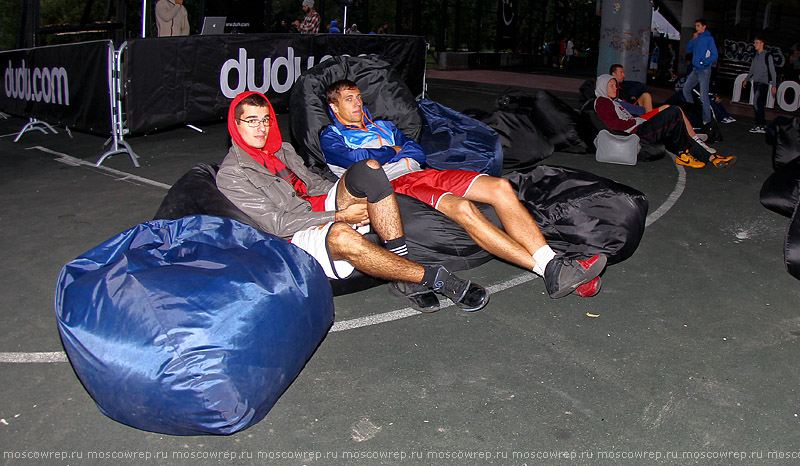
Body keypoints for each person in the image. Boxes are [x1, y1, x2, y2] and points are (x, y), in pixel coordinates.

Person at [319, 79, 608, 299]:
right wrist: (393, 151)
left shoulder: (383, 125)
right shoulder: (331, 135)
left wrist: (397, 149)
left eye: (358, 97)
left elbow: (416, 150)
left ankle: (555, 266)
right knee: (463, 208)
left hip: (425, 172)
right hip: (396, 184)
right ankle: (550, 268)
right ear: (335, 108)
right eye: (349, 99)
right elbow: (359, 161)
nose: (357, 103)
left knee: (501, 187)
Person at [217, 91, 489, 313]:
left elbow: (315, 184)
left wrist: (345, 192)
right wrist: (339, 215)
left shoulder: (282, 150)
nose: (261, 128)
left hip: (319, 204)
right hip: (294, 232)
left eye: (265, 120)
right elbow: (278, 223)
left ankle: (400, 268)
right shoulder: (232, 174)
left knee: (369, 167)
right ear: (236, 125)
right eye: (251, 121)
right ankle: (433, 278)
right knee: (343, 237)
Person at [594, 74, 736, 169]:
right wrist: (638, 121)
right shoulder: (602, 102)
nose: (615, 88)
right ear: (602, 86)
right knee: (674, 111)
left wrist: (651, 114)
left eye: (615, 85)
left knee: (677, 127)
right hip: (636, 132)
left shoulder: (613, 102)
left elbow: (637, 115)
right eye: (611, 85)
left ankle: (711, 158)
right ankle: (684, 152)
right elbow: (614, 125)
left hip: (638, 126)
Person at [682, 19, 718, 127]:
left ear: (704, 27)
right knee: (686, 90)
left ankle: (706, 121)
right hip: (696, 69)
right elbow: (688, 49)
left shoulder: (708, 39)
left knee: (703, 96)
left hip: (704, 70)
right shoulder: (697, 38)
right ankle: (692, 112)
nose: (696, 28)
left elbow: (715, 55)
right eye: (696, 26)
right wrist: (693, 39)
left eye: (698, 26)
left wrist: (704, 62)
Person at [743, 36, 777, 134]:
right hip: (756, 82)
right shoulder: (756, 56)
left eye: (757, 42)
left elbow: (773, 71)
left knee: (756, 102)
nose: (755, 44)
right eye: (755, 42)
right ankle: (761, 125)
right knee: (759, 104)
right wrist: (747, 79)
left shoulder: (767, 56)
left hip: (763, 82)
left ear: (762, 43)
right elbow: (752, 69)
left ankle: (759, 124)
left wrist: (774, 85)